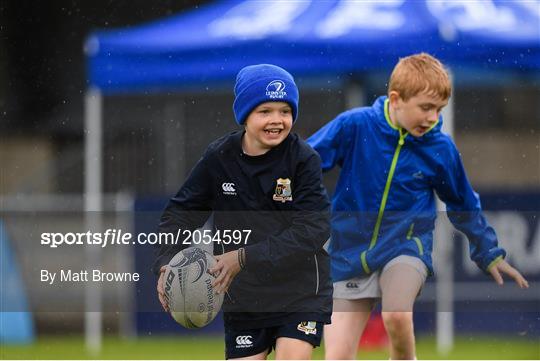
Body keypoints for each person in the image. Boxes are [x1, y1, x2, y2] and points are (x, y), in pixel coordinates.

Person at [307, 53, 529, 360]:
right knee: (338, 356)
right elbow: (303, 164)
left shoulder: (440, 148)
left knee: (397, 315)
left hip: (405, 248)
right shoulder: (355, 125)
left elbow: (463, 201)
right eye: (426, 108)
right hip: (347, 253)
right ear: (396, 99)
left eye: (439, 109)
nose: (433, 118)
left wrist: (488, 252)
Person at [153, 64, 333, 360]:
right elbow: (181, 213)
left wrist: (242, 257)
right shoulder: (219, 157)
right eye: (265, 111)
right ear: (245, 115)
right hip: (246, 297)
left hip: (301, 293)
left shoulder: (303, 160)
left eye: (285, 111)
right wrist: (166, 261)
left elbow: (313, 230)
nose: (277, 120)